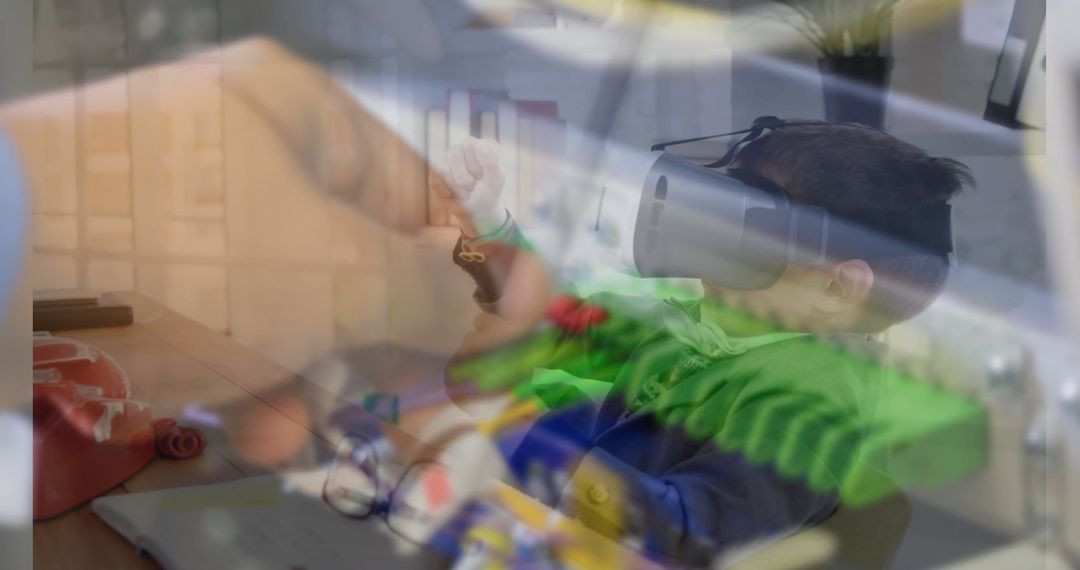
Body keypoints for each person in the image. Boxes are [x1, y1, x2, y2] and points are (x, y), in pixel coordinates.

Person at [431, 124, 974, 566]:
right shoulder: (714, 321)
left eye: (750, 216)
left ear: (836, 287)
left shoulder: (812, 398)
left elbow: (690, 533)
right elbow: (563, 324)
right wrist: (488, 224)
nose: (708, 221)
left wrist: (524, 429)